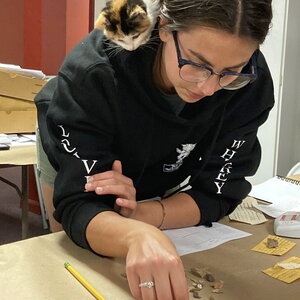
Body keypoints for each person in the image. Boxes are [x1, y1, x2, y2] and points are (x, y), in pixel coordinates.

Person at [35, 0, 274, 299]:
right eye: (196, 64)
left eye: (230, 72)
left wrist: (145, 217)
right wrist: (136, 235)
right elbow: (78, 207)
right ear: (164, 27)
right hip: (79, 131)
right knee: (72, 263)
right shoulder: (95, 65)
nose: (209, 88)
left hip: (165, 151)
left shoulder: (250, 79)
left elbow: (219, 191)